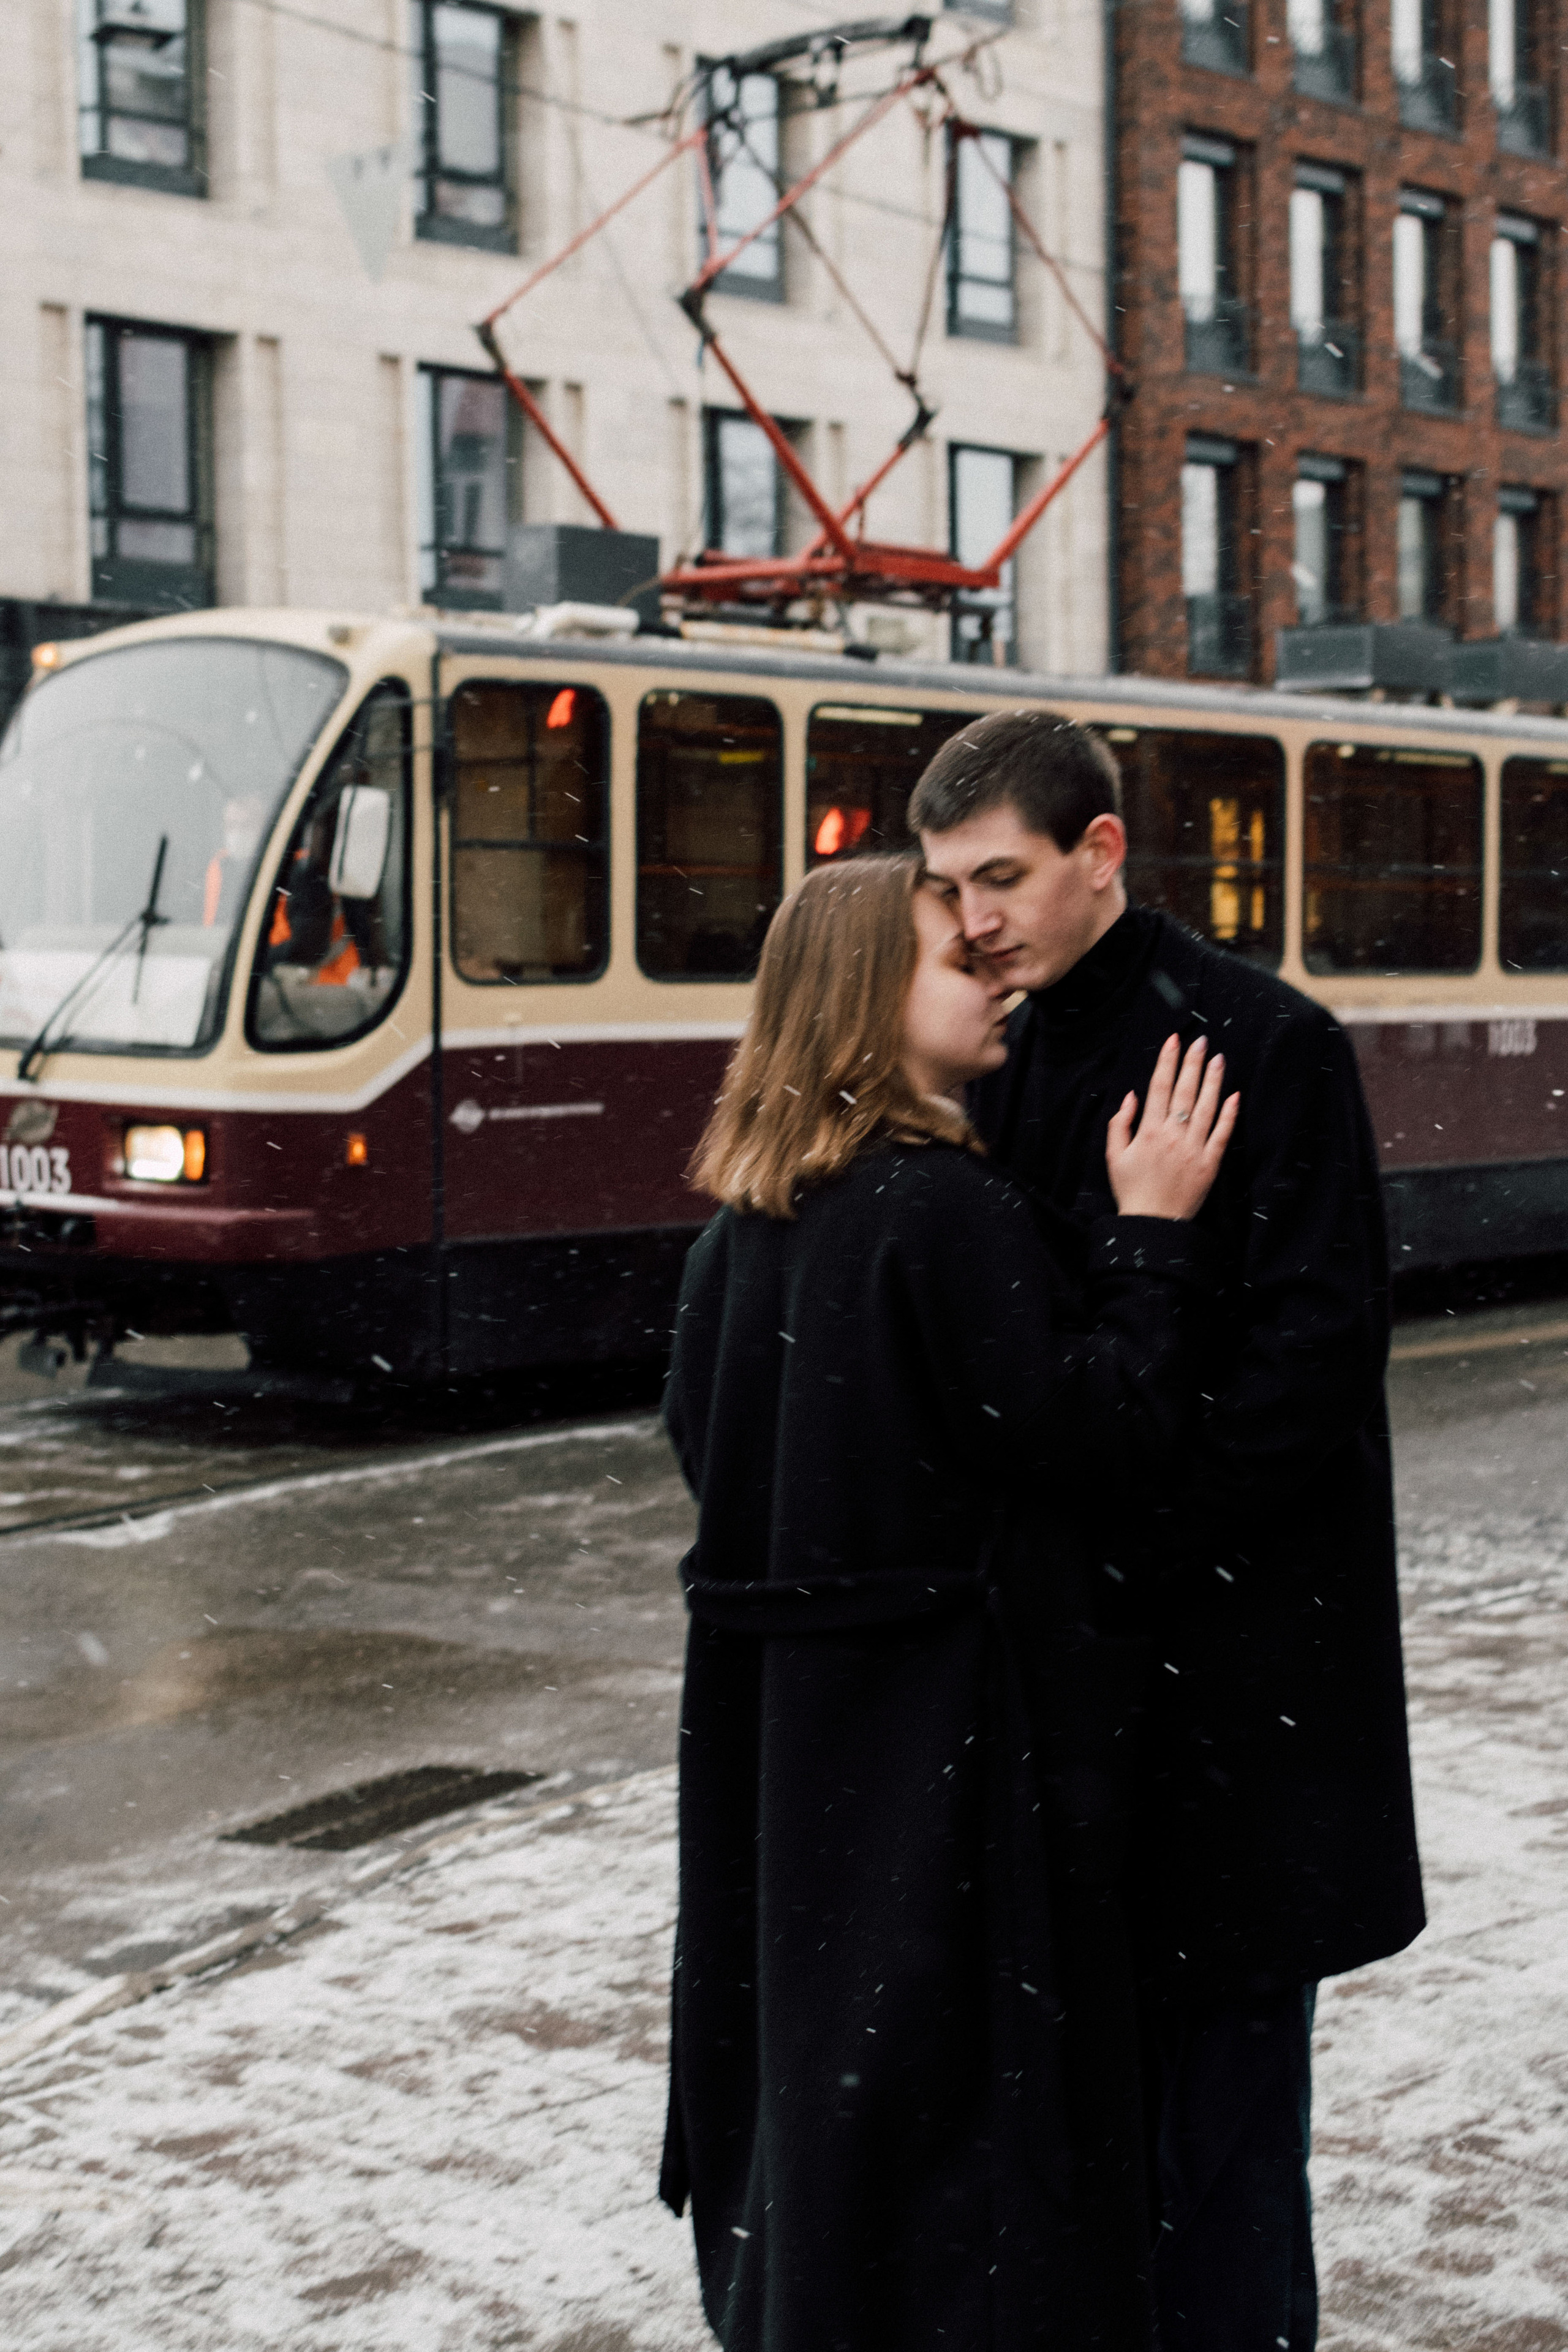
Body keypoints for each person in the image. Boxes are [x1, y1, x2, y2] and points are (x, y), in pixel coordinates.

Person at [659, 853, 1238, 2350]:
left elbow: (706, 1452)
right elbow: (1107, 1438)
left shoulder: (737, 1237)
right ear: (864, 1001)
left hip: (788, 1755)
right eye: (946, 956)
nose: (988, 971)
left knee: (828, 2080)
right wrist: (1152, 1235)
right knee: (978, 2117)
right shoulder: (942, 1210)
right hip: (949, 1751)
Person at [911, 709, 1426, 2352]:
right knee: (1106, 2128)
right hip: (1100, 1690)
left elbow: (1311, 1363)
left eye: (1001, 877)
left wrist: (1127, 1555)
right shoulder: (992, 1053)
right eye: (946, 887)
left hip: (1226, 1690)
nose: (971, 920)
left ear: (1102, 854)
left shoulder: (1260, 1042)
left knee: (1218, 2138)